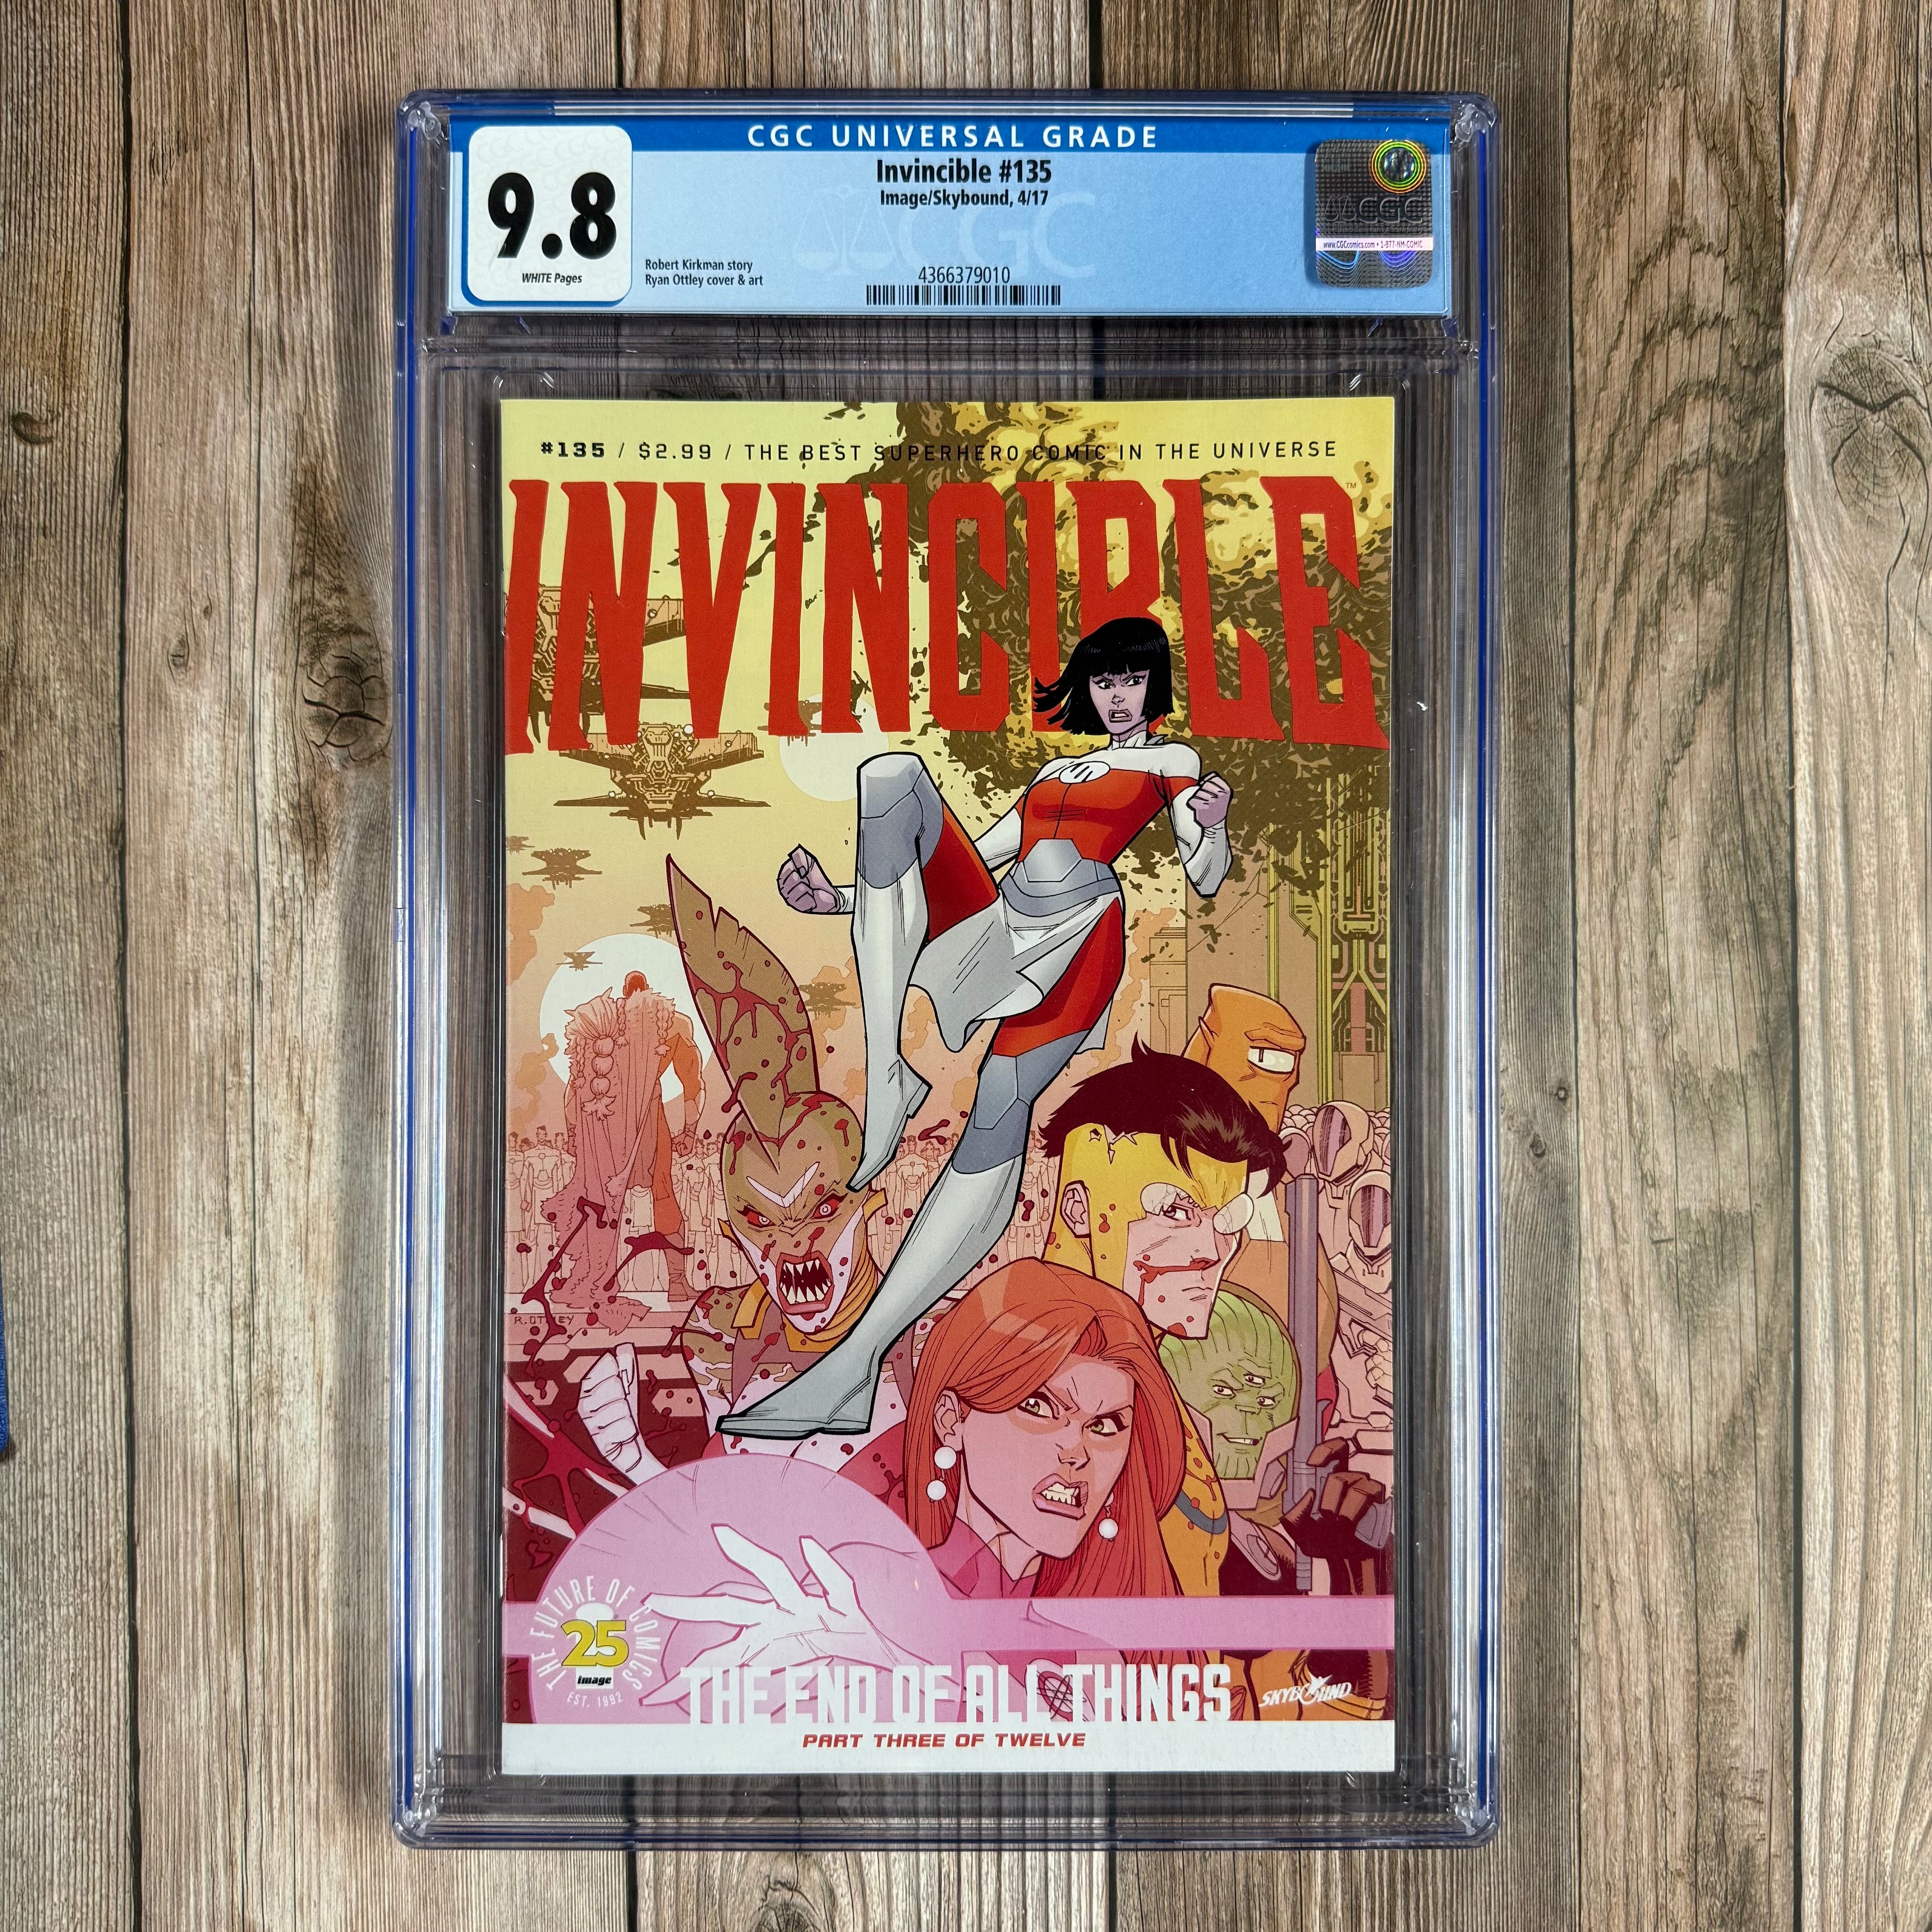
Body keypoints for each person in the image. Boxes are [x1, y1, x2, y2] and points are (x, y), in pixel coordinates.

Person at [723, 616, 1233, 1440]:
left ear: (1154, 686)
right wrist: (837, 901)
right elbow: (989, 851)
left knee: (997, 1110)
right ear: (1086, 687)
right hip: (1000, 927)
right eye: (1103, 681)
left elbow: (1203, 875)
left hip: (1078, 939)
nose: (1116, 697)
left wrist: (1212, 823)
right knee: (892, 779)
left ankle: (852, 1367)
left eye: (1131, 680)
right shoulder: (1054, 769)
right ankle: (888, 1072)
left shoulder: (1168, 762)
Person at [1037, 1043, 1287, 1594]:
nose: (1211, 1251)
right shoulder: (1046, 1391)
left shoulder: (1135, 1373)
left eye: (1227, 1218)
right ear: (1079, 1210)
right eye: (1175, 1211)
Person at [900, 1256, 1187, 1599]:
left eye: (1104, 1426)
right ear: (951, 1421)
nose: (1077, 1452)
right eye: (1038, 1407)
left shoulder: (1112, 1619)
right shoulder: (887, 1590)